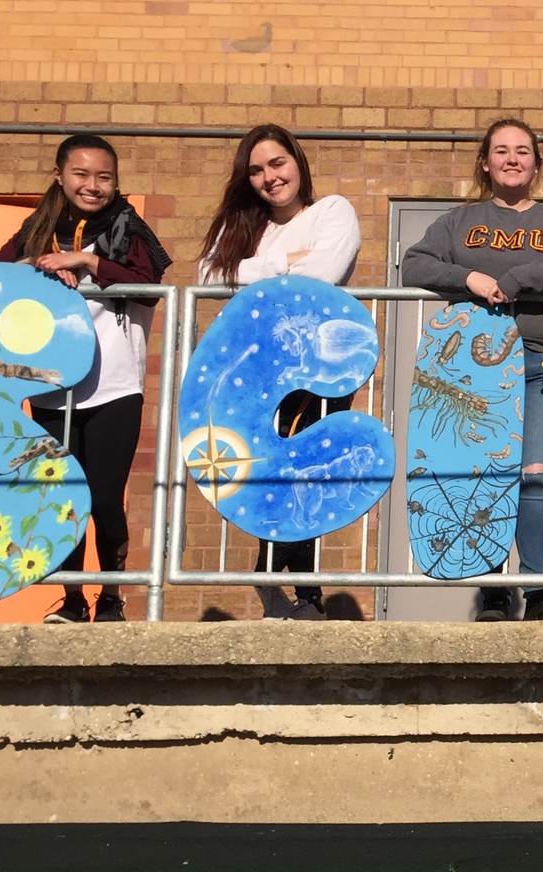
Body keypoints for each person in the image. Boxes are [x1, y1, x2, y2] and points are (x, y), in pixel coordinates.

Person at [400, 118, 543, 622]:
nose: (512, 159)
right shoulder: (458, 222)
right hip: (471, 371)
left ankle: (537, 592)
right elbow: (415, 265)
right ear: (485, 162)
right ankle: (492, 592)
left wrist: (519, 277)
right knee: (483, 477)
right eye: (501, 151)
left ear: (536, 162)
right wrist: (471, 277)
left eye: (523, 151)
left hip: (537, 362)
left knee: (532, 474)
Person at [0, 134, 172, 623]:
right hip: (50, 386)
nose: (93, 186)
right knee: (62, 496)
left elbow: (152, 287)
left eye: (104, 177)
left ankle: (111, 597)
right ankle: (71, 599)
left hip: (114, 385)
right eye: (81, 174)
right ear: (59, 176)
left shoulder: (129, 228)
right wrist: (37, 265)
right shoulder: (39, 227)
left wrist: (87, 261)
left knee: (105, 497)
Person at [198, 123, 363, 620]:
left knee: (308, 475)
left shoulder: (331, 210)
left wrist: (253, 268)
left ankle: (300, 590)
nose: (270, 177)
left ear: (297, 162)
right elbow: (207, 274)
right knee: (267, 470)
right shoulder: (244, 227)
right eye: (256, 170)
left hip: (318, 366)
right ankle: (277, 581)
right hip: (262, 365)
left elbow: (324, 272)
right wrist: (283, 263)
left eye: (277, 163)